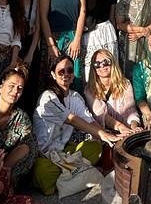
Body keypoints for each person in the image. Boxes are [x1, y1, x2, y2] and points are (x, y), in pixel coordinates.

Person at [31, 54, 119, 195]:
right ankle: (74, 173)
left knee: (95, 148)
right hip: (44, 155)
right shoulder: (47, 97)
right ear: (53, 75)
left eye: (69, 70)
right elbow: (72, 119)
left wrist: (106, 135)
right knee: (43, 171)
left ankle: (68, 176)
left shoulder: (75, 97)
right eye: (61, 71)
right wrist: (103, 134)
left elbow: (90, 122)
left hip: (64, 151)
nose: (66, 74)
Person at [0, 68, 38, 192]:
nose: (15, 91)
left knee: (29, 144)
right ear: (0, 88)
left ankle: (4, 181)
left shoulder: (21, 117)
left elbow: (29, 146)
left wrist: (4, 167)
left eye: (19, 88)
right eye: (11, 86)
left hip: (6, 164)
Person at [84, 48, 140, 136]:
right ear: (93, 68)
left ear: (112, 63)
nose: (102, 66)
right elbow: (101, 115)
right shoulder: (89, 89)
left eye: (105, 62)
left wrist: (134, 127)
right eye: (97, 64)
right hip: (104, 133)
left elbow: (131, 111)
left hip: (126, 130)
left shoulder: (125, 84)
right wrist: (121, 127)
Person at [81, 0, 118, 74]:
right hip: (90, 31)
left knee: (108, 64)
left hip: (106, 30)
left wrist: (115, 31)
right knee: (91, 65)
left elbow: (112, 15)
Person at [17, 0, 41, 110]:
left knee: (30, 84)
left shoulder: (36, 1)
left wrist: (31, 53)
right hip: (14, 45)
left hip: (30, 44)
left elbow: (37, 28)